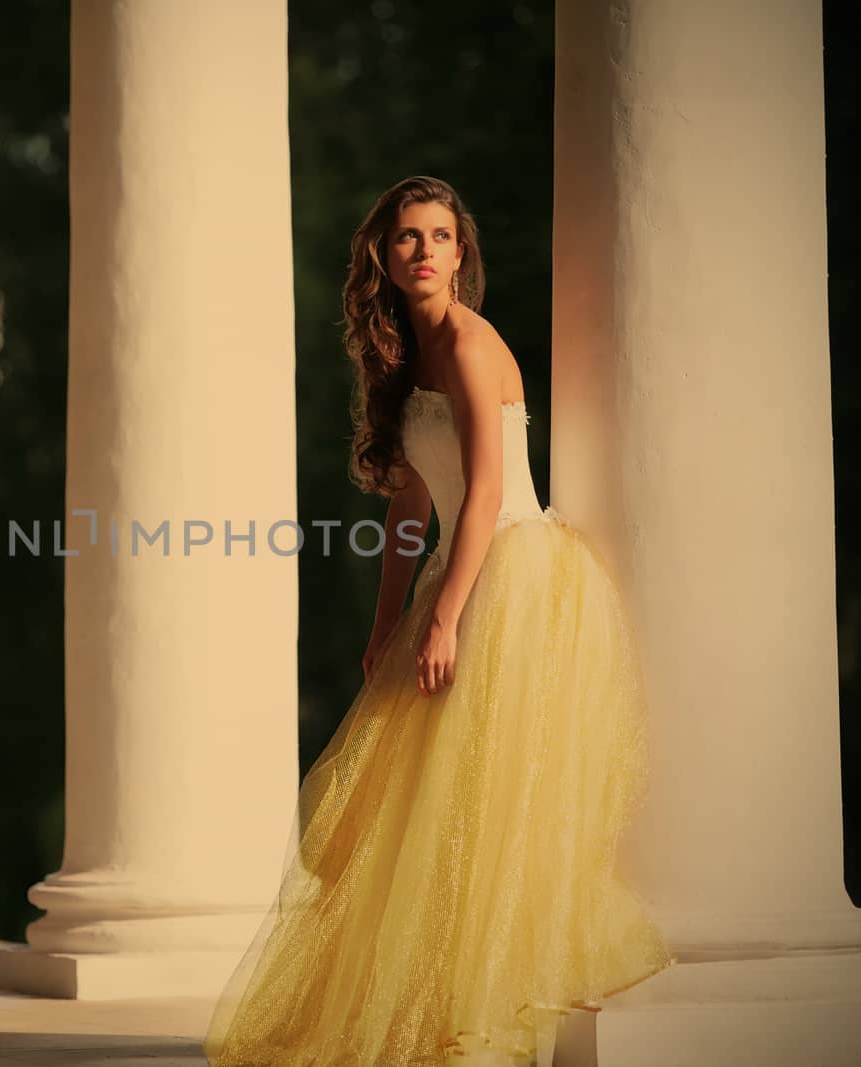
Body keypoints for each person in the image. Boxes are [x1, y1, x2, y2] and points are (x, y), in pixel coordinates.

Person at [202, 176, 676, 1067]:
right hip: (458, 572)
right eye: (407, 237)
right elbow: (412, 501)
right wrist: (389, 620)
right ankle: (426, 999)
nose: (422, 250)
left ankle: (482, 1009)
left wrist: (447, 616)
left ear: (462, 254)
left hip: (515, 573)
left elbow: (490, 491)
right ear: (383, 256)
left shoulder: (468, 343)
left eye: (439, 236)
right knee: (419, 808)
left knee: (482, 800)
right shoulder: (402, 359)